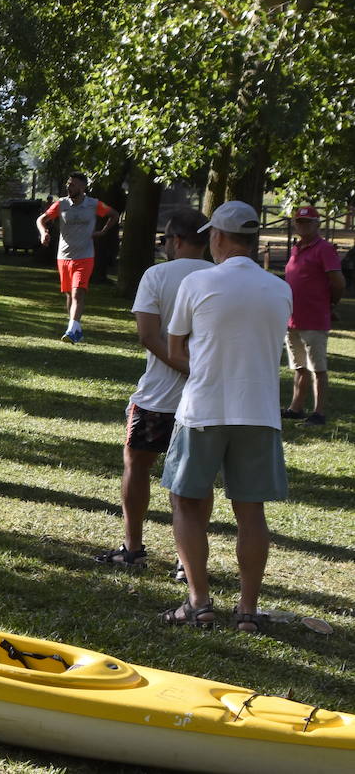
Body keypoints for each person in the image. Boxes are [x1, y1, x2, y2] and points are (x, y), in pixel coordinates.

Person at [160, 200, 291, 632]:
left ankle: (199, 602)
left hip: (204, 408)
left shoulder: (198, 283)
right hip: (260, 413)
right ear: (253, 240)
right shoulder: (279, 288)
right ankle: (248, 611)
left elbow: (177, 350)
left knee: (185, 500)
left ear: (216, 236)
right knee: (250, 511)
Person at [95, 210, 211, 568]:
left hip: (158, 396)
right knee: (197, 479)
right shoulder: (219, 277)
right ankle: (186, 563)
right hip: (206, 395)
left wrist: (180, 366)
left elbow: (148, 336)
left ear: (175, 240)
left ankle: (132, 548)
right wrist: (198, 371)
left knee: (136, 463)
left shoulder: (156, 275)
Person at [35, 172, 119, 343]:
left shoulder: (93, 204)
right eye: (68, 183)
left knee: (77, 294)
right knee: (68, 294)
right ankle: (75, 328)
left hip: (85, 256)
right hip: (63, 257)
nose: (69, 187)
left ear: (83, 187)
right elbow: (41, 219)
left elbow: (114, 214)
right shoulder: (61, 204)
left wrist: (103, 232)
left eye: (73, 184)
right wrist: (44, 232)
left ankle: (72, 330)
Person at [281, 205, 344, 425]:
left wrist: (331, 303)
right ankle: (295, 408)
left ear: (317, 224)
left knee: (318, 368)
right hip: (293, 318)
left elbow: (338, 282)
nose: (302, 225)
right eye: (299, 222)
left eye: (307, 222)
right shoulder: (296, 248)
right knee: (299, 367)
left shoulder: (324, 248)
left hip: (315, 318)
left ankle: (319, 412)